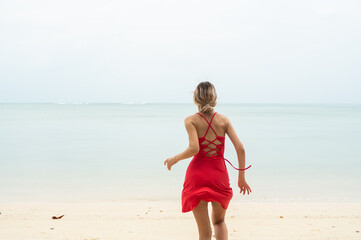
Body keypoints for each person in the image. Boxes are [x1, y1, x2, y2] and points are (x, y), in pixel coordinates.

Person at [164, 81, 252, 240]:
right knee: (219, 222)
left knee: (204, 233)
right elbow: (241, 149)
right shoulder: (224, 120)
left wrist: (174, 159)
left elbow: (194, 149)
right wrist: (241, 178)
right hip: (219, 176)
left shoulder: (191, 120)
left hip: (197, 176)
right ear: (214, 98)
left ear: (195, 99)